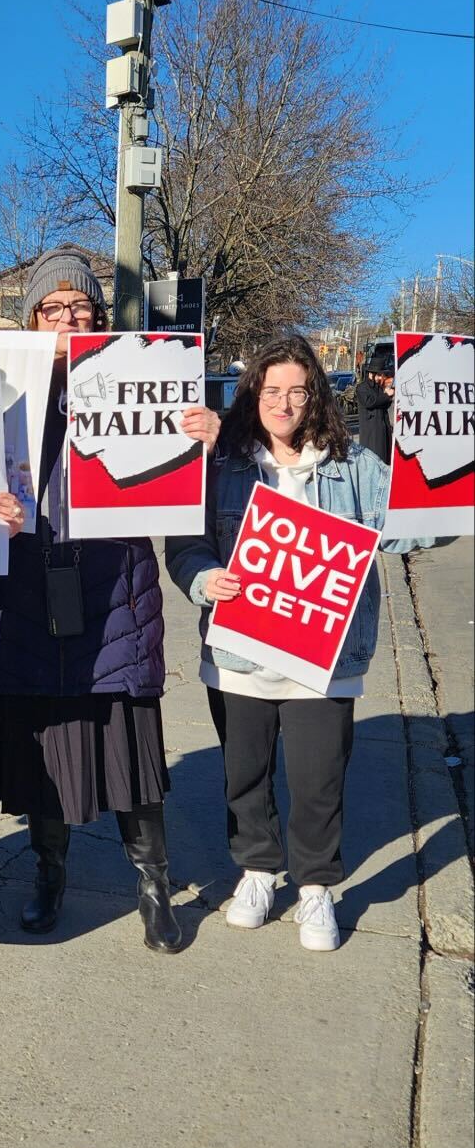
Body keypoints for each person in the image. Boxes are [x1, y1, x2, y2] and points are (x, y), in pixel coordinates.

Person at [165, 333, 444, 951]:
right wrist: (205, 578)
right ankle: (259, 871)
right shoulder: (221, 465)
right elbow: (185, 545)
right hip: (239, 654)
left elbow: (409, 524)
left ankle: (317, 887)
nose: (284, 403)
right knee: (246, 775)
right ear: (253, 397)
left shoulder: (354, 468)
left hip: (324, 659)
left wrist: (449, 491)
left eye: (297, 391)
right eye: (271, 391)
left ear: (315, 396)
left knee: (319, 779)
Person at [0, 246, 221, 952]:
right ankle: (48, 875)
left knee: (127, 746)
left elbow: (181, 485)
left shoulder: (138, 379)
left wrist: (201, 438)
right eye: (51, 308)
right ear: (30, 318)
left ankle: (153, 886)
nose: (66, 318)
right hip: (24, 585)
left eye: (79, 307)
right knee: (46, 748)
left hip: (111, 582)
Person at [355, 367, 394, 463]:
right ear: (371, 374)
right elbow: (369, 402)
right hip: (371, 430)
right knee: (373, 459)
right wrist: (386, 396)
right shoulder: (362, 387)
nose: (380, 378)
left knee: (384, 458)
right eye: (378, 375)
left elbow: (384, 403)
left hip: (382, 426)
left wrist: (389, 396)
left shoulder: (378, 387)